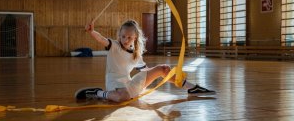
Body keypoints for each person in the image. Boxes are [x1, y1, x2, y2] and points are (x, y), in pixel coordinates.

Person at [75, 19, 215, 102]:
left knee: (161, 69)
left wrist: (162, 69)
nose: (125, 40)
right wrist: (92, 32)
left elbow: (146, 70)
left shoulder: (136, 54)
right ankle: (98, 93)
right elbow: (101, 39)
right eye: (123, 36)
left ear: (135, 38)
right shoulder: (114, 46)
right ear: (120, 35)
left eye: (129, 37)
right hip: (114, 83)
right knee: (121, 97)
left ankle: (191, 87)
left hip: (128, 83)